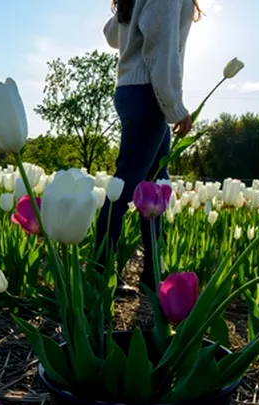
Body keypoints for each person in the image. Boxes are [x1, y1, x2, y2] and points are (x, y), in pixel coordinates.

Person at [96, 0, 201, 290]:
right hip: (148, 94)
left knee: (155, 186)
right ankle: (100, 272)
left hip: (131, 90)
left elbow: (112, 35)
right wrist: (174, 105)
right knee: (126, 186)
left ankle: (152, 274)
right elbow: (160, 48)